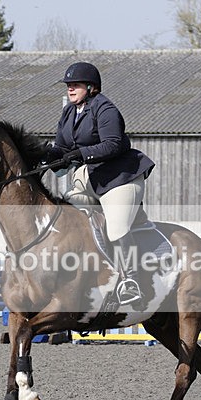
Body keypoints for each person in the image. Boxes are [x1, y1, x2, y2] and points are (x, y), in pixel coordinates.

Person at [44, 62, 155, 305]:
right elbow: (63, 148)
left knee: (115, 228)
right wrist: (46, 155)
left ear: (91, 87)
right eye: (68, 85)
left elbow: (113, 144)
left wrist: (80, 154)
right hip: (90, 179)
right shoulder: (69, 112)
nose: (70, 89)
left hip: (119, 179)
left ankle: (130, 280)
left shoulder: (106, 109)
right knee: (62, 217)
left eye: (75, 85)